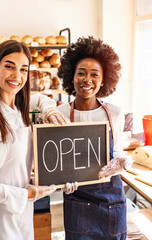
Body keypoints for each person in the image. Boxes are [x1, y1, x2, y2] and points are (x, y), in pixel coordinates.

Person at [0, 40, 67, 240]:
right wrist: (26, 195)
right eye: (9, 66)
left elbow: (43, 100)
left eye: (23, 70)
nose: (17, 76)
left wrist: (50, 110)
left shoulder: (19, 108)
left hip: (23, 211)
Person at [57, 36, 132, 240]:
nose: (87, 80)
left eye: (94, 74)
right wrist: (62, 180)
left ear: (103, 79)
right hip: (77, 203)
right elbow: (57, 161)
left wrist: (124, 162)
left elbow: (117, 152)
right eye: (81, 73)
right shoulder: (60, 114)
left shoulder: (114, 113)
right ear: (71, 76)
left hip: (111, 203)